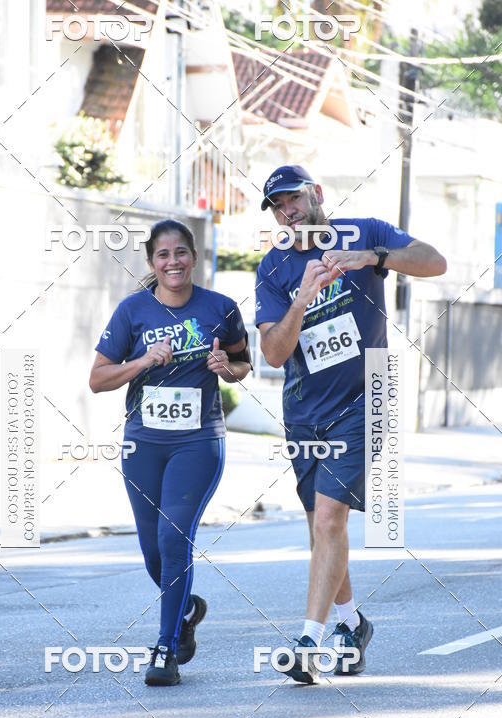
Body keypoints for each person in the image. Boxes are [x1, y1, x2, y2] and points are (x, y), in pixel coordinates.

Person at [255, 165, 447, 684]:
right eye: (277, 206)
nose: (287, 211)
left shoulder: (365, 232)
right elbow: (274, 354)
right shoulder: (273, 269)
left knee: (328, 521)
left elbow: (435, 262)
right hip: (304, 409)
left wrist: (372, 258)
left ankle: (307, 644)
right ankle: (351, 623)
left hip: (366, 397)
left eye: (293, 199)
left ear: (316, 194)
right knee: (320, 524)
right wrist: (301, 299)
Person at [90, 219, 251, 686]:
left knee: (172, 537)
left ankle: (165, 651)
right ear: (151, 262)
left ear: (194, 257)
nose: (173, 262)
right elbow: (97, 379)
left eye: (181, 252)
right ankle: (183, 613)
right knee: (151, 551)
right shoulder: (132, 311)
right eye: (163, 255)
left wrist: (229, 368)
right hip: (143, 443)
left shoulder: (220, 308)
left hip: (197, 442)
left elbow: (244, 362)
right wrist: (142, 360)